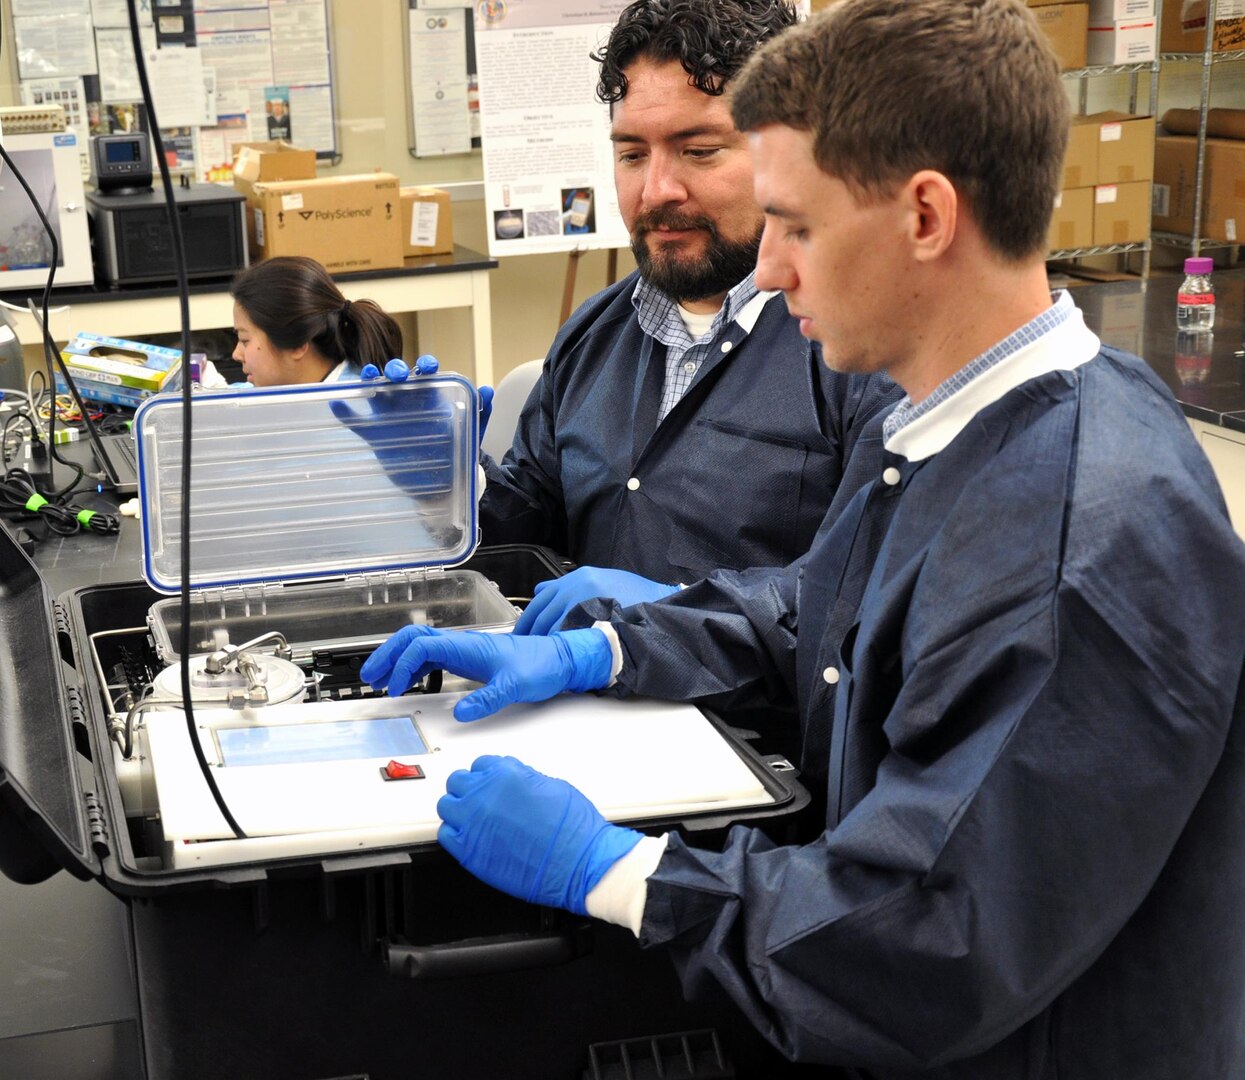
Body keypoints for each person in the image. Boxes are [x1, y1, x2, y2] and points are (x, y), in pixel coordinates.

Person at [360, 1, 1245, 1075]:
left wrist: (615, 873)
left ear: (926, 217)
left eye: (800, 226)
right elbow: (816, 616)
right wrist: (605, 648)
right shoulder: (954, 423)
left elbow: (927, 937)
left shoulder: (1077, 539)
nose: (770, 272)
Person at [467, 0, 901, 632]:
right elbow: (531, 527)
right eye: (632, 155)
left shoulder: (863, 353)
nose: (656, 191)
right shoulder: (595, 335)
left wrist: (665, 616)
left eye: (698, 151)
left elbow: (859, 593)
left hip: (750, 729)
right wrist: (447, 481)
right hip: (587, 708)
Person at [230, 256, 407, 387]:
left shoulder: (356, 410)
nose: (236, 354)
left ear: (297, 346)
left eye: (245, 340)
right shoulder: (288, 389)